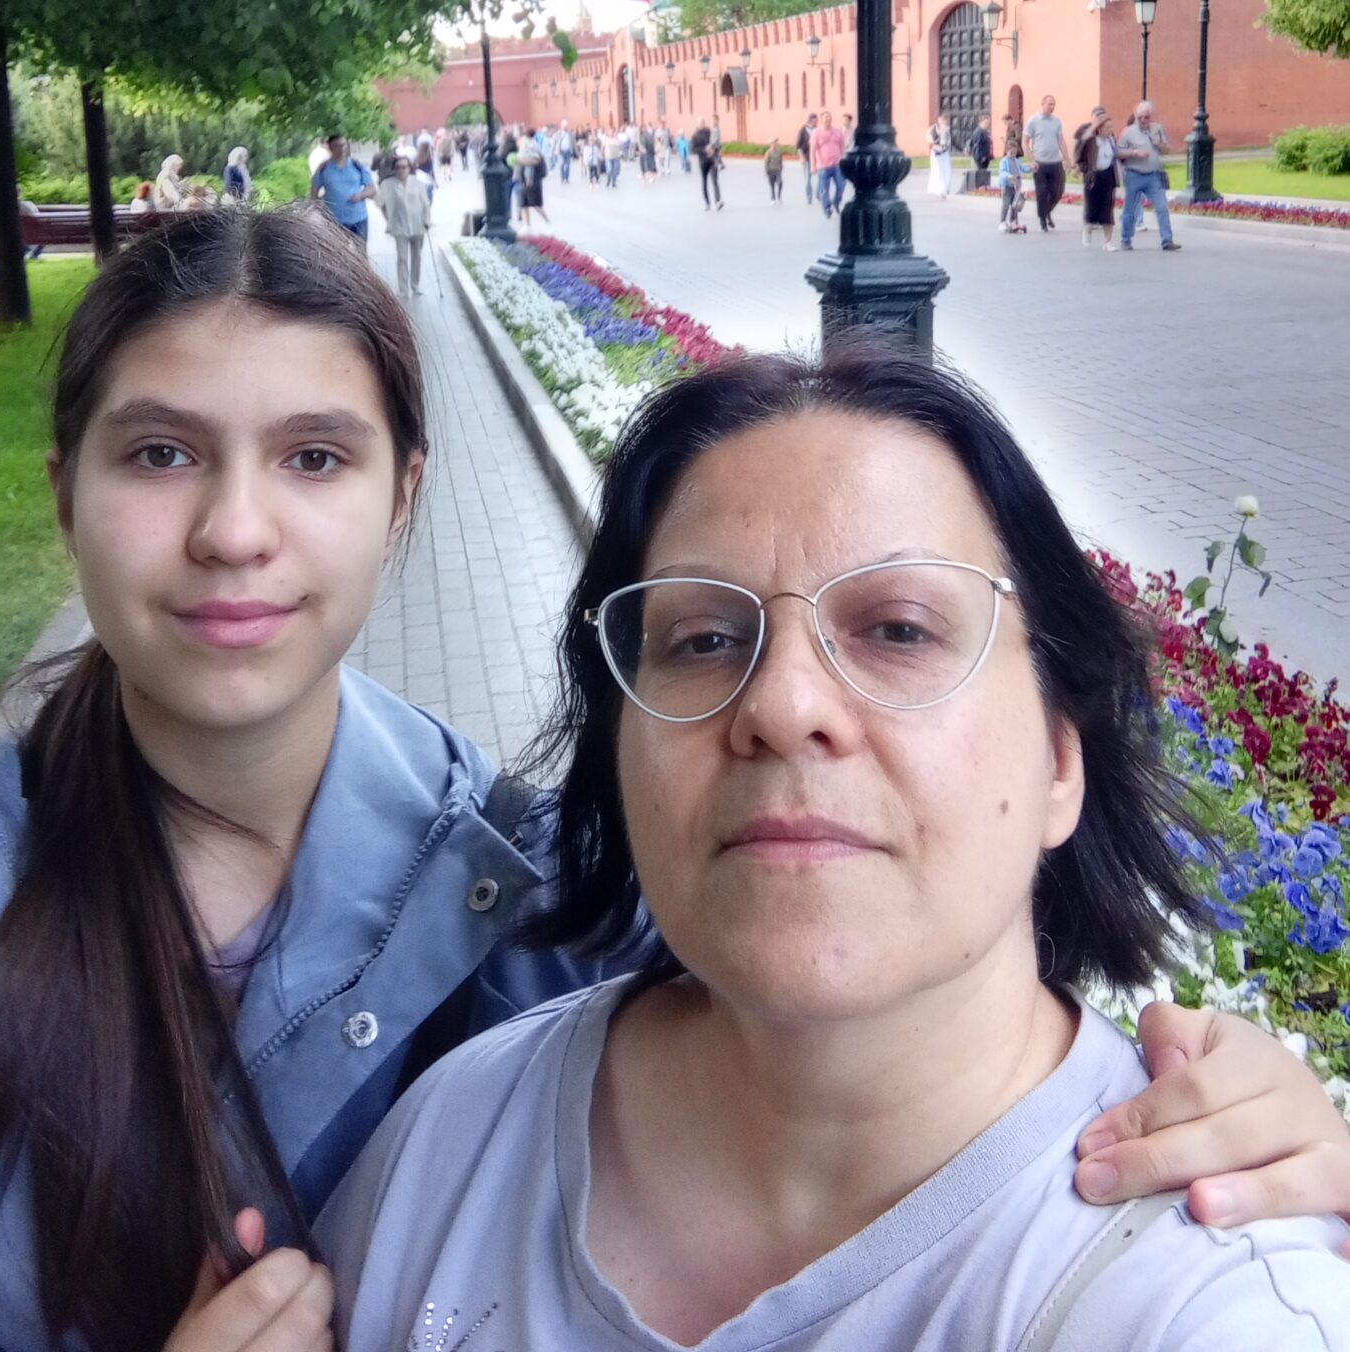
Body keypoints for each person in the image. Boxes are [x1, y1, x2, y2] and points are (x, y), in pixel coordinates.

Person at [0, 211, 1349, 1352]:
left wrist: (1293, 1145)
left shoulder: (542, 900)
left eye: (315, 457)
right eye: (160, 455)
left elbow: (872, 997)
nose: (235, 531)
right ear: (64, 494)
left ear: (406, 498)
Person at [319, 347, 1350, 1349]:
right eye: (703, 640)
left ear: (1059, 762)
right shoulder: (451, 1146)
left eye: (899, 629)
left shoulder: (1200, 1296)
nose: (781, 706)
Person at [1118, 100, 1181, 252]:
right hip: (1134, 174)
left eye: (1146, 117)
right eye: (1139, 117)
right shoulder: (1128, 132)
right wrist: (1134, 153)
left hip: (1153, 175)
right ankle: (1126, 240)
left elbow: (1167, 150)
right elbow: (1118, 152)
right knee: (1130, 209)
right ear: (1135, 116)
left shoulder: (1157, 129)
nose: (1143, 121)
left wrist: (1159, 144)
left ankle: (1167, 240)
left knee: (1162, 207)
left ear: (1151, 116)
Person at [379, 154, 432, 298]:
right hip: (399, 226)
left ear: (409, 168)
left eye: (404, 167)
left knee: (417, 256)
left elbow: (426, 204)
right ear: (394, 169)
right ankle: (403, 289)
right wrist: (388, 219)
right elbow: (381, 203)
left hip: (418, 225)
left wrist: (427, 220)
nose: (401, 170)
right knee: (402, 257)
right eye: (398, 168)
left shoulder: (418, 183)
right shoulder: (387, 184)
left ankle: (415, 285)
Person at [311, 133, 378, 244]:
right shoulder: (324, 168)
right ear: (330, 148)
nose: (341, 149)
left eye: (343, 145)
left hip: (359, 218)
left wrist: (360, 195)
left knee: (360, 251)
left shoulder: (356, 165)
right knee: (336, 252)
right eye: (336, 146)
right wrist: (319, 208)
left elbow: (372, 189)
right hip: (334, 220)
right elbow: (313, 194)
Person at [1024, 94, 1071, 232]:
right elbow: (1025, 142)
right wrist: (1031, 160)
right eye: (1050, 104)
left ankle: (1047, 211)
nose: (1052, 107)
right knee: (1042, 192)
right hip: (1040, 163)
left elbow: (1061, 141)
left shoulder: (1056, 121)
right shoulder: (1033, 120)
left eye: (1054, 104)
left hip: (1055, 162)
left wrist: (1067, 159)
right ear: (1043, 103)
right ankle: (1042, 221)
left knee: (1058, 191)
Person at [1078, 108, 1121, 250]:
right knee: (1091, 207)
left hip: (1108, 176)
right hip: (1093, 177)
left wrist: (1132, 153)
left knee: (1108, 209)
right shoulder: (1090, 141)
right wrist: (1084, 171)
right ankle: (1087, 231)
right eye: (1107, 127)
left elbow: (1116, 154)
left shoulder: (1111, 140)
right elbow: (1080, 153)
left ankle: (1107, 242)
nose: (1110, 130)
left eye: (1111, 127)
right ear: (1099, 128)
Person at [811, 108, 845, 218]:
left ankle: (836, 202)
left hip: (837, 165)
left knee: (841, 185)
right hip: (823, 166)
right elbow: (812, 150)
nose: (828, 119)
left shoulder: (837, 132)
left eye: (829, 117)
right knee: (824, 189)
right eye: (825, 117)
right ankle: (827, 208)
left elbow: (842, 147)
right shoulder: (816, 132)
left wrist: (843, 161)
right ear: (821, 120)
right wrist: (813, 165)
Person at [515, 135, 550, 229]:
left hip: (531, 183)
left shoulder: (531, 154)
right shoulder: (523, 154)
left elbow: (529, 167)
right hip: (523, 182)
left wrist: (529, 179)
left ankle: (548, 222)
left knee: (535, 204)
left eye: (520, 143)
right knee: (524, 204)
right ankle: (526, 225)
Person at [692, 117, 722, 211]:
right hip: (703, 161)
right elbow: (693, 149)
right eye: (701, 122)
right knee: (704, 182)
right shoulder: (695, 136)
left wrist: (716, 149)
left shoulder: (710, 132)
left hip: (712, 160)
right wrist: (704, 150)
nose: (703, 124)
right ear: (697, 124)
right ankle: (707, 202)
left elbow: (716, 142)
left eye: (703, 122)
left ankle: (718, 201)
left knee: (715, 181)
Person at [998, 146, 1029, 233]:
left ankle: (1013, 222)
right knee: (1006, 204)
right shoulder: (1004, 161)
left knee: (1015, 205)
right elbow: (1002, 171)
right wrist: (1008, 176)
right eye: (1011, 153)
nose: (1013, 155)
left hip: (1016, 186)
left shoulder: (1017, 161)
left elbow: (1023, 168)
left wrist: (1030, 168)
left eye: (1014, 153)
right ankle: (1002, 222)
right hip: (1007, 186)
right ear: (1006, 151)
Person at [927, 111, 955, 198]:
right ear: (939, 119)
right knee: (938, 172)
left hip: (945, 153)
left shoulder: (948, 129)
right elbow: (931, 139)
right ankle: (941, 190)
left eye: (947, 119)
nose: (946, 121)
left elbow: (953, 141)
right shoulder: (935, 128)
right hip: (937, 153)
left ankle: (946, 189)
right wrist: (938, 135)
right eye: (944, 118)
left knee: (947, 171)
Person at [797, 113, 818, 205]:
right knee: (807, 180)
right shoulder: (803, 130)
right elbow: (798, 146)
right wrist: (801, 157)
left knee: (821, 177)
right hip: (807, 157)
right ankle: (809, 198)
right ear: (811, 120)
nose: (817, 122)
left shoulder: (818, 130)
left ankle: (818, 194)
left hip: (818, 157)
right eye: (815, 120)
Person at [968, 112, 994, 188]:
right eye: (986, 122)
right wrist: (980, 157)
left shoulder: (985, 132)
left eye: (989, 122)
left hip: (986, 157)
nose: (988, 124)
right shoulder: (978, 132)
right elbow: (976, 146)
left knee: (984, 173)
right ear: (981, 122)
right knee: (980, 173)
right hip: (981, 157)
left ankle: (983, 187)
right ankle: (979, 188)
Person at [764, 137, 784, 203]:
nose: (774, 144)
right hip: (771, 170)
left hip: (777, 170)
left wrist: (781, 168)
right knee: (772, 186)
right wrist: (766, 171)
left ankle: (779, 196)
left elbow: (781, 161)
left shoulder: (779, 152)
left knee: (780, 183)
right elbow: (766, 162)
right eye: (773, 143)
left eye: (775, 143)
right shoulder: (768, 152)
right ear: (770, 144)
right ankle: (773, 199)